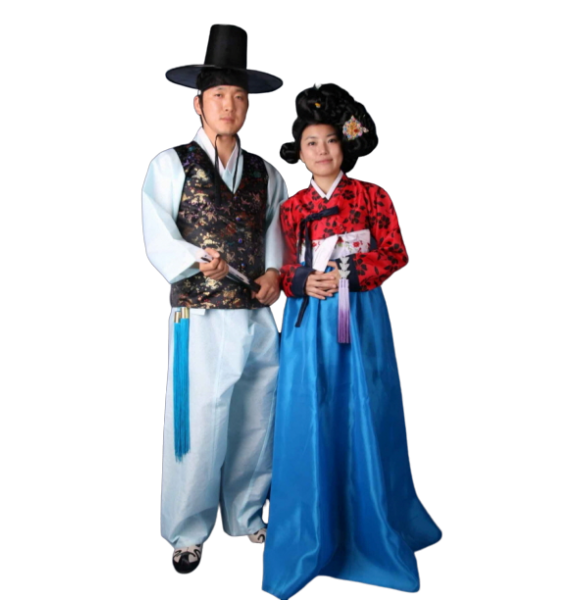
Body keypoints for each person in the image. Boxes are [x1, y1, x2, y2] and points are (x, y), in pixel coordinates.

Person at [261, 83, 442, 598]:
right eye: (311, 143)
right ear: (299, 154)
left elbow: (397, 252)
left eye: (330, 141)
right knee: (313, 414)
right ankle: (316, 526)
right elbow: (285, 268)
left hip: (360, 317)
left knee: (367, 408)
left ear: (344, 146)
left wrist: (349, 273)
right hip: (309, 323)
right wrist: (303, 281)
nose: (322, 150)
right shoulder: (292, 209)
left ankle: (374, 522)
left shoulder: (373, 195)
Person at [141, 23, 288, 575]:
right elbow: (158, 234)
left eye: (239, 97)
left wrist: (273, 272)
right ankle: (186, 530)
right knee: (198, 423)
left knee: (256, 417)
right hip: (198, 316)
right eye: (219, 95)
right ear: (198, 103)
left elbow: (277, 231)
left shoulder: (266, 172)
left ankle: (246, 515)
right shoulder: (170, 164)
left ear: (248, 105)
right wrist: (193, 258)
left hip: (254, 315)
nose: (229, 106)